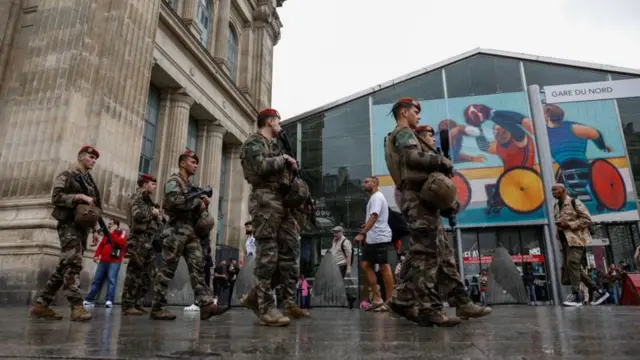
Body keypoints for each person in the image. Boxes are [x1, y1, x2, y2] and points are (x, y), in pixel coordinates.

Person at [384, 98, 489, 327]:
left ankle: (454, 301)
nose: (418, 116)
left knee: (436, 253)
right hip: (416, 199)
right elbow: (411, 158)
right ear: (404, 112)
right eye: (414, 111)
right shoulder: (403, 133)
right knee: (427, 255)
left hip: (421, 199)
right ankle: (429, 308)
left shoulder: (405, 134)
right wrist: (441, 161)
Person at [238, 108, 309, 327]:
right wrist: (283, 160)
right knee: (267, 256)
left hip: (282, 202)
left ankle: (261, 299)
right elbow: (259, 167)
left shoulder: (276, 146)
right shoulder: (254, 143)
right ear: (269, 121)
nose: (280, 125)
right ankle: (265, 307)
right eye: (278, 121)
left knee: (288, 252)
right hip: (265, 201)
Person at [150, 149, 228, 320]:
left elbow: (194, 205)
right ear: (182, 163)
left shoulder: (191, 186)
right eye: (192, 162)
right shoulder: (173, 181)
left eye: (197, 163)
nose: (196, 166)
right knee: (167, 269)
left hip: (190, 231)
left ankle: (206, 304)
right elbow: (173, 202)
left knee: (198, 267)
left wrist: (204, 203)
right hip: (175, 231)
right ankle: (157, 307)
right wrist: (196, 203)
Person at [30, 145, 103, 322]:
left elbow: (95, 208)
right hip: (68, 226)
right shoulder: (66, 176)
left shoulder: (91, 183)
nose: (93, 161)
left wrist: (95, 229)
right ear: (80, 157)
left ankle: (42, 304)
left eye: (95, 159)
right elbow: (56, 197)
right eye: (90, 157)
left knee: (64, 266)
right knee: (73, 264)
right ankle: (77, 307)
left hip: (82, 228)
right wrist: (78, 197)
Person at [552, 183, 609, 307]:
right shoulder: (556, 206)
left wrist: (569, 225)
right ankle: (598, 290)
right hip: (565, 241)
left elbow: (587, 219)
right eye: (552, 191)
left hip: (577, 239)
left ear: (563, 190)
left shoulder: (574, 202)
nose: (553, 192)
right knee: (573, 266)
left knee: (572, 263)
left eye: (555, 190)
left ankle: (577, 295)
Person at [122, 174, 164, 316]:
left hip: (148, 240)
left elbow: (158, 221)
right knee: (134, 272)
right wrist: (153, 213)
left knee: (148, 273)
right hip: (138, 239)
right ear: (145, 184)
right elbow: (138, 215)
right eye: (152, 184)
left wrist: (157, 216)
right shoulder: (137, 197)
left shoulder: (148, 201)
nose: (154, 186)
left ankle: (137, 301)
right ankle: (128, 304)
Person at [354, 176, 394, 311]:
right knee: (365, 265)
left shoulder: (377, 197)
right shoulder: (374, 197)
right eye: (364, 182)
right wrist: (366, 229)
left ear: (375, 183)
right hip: (373, 238)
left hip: (379, 237)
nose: (364, 184)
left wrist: (362, 233)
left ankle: (390, 301)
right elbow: (374, 217)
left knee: (384, 266)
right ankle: (377, 298)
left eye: (367, 182)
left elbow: (374, 216)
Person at [83, 219, 127, 308]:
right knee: (96, 280)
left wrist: (112, 233)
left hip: (114, 261)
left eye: (111, 224)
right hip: (103, 261)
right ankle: (89, 299)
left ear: (116, 225)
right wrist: (96, 255)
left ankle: (109, 300)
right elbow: (101, 246)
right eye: (109, 224)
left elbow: (121, 243)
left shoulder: (122, 233)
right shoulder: (106, 235)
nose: (109, 226)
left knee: (111, 280)